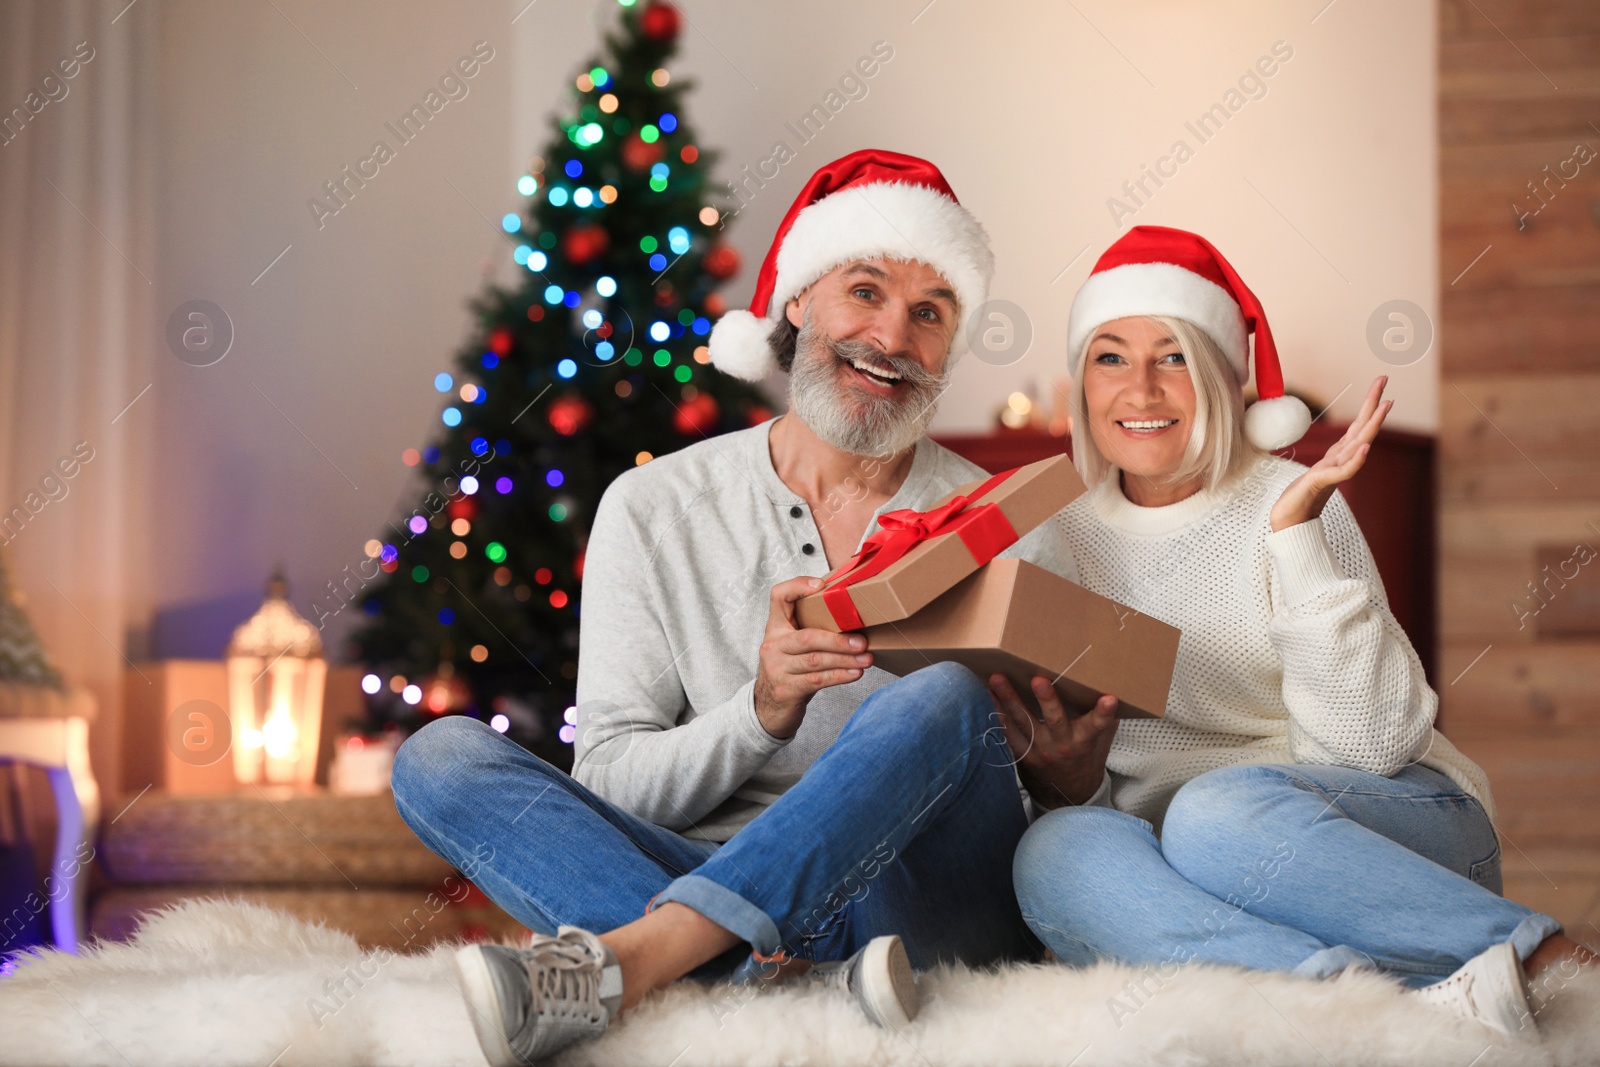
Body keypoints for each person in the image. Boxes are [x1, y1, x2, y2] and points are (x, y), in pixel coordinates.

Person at [391, 150, 1055, 1067]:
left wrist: (1067, 769)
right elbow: (614, 781)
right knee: (440, 759)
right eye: (864, 291)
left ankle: (639, 960)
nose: (893, 336)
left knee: (939, 696)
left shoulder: (996, 521)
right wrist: (759, 713)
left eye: (930, 312)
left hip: (908, 898)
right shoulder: (655, 506)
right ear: (795, 304)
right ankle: (798, 977)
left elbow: (1020, 799)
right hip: (699, 863)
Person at [992, 224, 1596, 1040]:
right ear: (1083, 382)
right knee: (1056, 849)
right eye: (1110, 357)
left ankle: (1542, 960)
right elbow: (1119, 800)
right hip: (1193, 867)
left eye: (1172, 355)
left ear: (1217, 375)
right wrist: (1076, 783)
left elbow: (1375, 747)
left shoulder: (1292, 500)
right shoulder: (1056, 538)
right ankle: (1336, 1006)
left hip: (1385, 833)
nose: (1140, 388)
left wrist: (1294, 540)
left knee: (1213, 814)